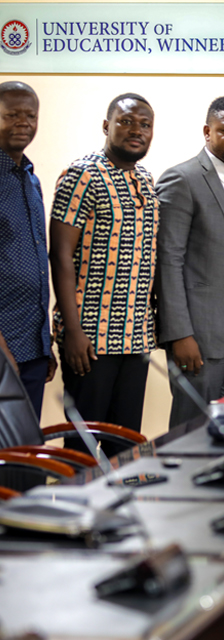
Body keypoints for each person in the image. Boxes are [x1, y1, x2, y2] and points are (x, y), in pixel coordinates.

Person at [49, 93, 158, 433]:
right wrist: (74, 330)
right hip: (91, 337)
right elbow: (61, 255)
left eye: (145, 124)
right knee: (84, 444)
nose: (135, 130)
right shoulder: (82, 174)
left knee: (124, 445)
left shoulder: (146, 180)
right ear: (106, 126)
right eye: (125, 121)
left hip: (135, 336)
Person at [156, 96, 224, 427]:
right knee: (193, 428)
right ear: (207, 131)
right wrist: (179, 334)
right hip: (200, 332)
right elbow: (168, 261)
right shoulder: (182, 179)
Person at [0, 81, 56, 417]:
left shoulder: (30, 177)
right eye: (11, 115)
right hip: (5, 347)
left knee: (26, 452)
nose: (23, 122)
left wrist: (44, 344)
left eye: (30, 115)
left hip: (32, 345)